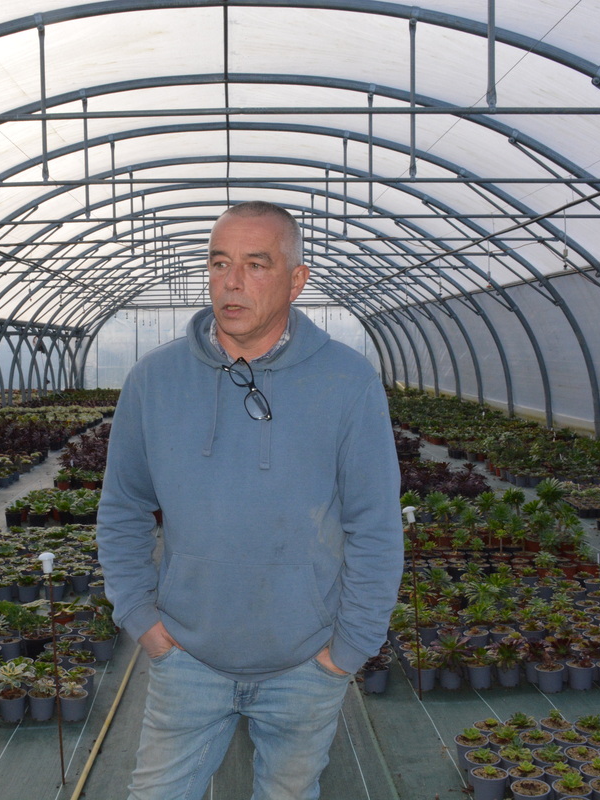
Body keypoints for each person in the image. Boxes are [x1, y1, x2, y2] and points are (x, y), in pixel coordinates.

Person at [97, 200, 403, 800]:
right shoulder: (153, 382)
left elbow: (374, 525)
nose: (231, 282)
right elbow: (123, 508)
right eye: (219, 262)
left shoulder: (348, 382)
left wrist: (347, 651)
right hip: (186, 658)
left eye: (256, 264)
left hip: (305, 665)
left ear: (296, 280)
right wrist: (142, 620)